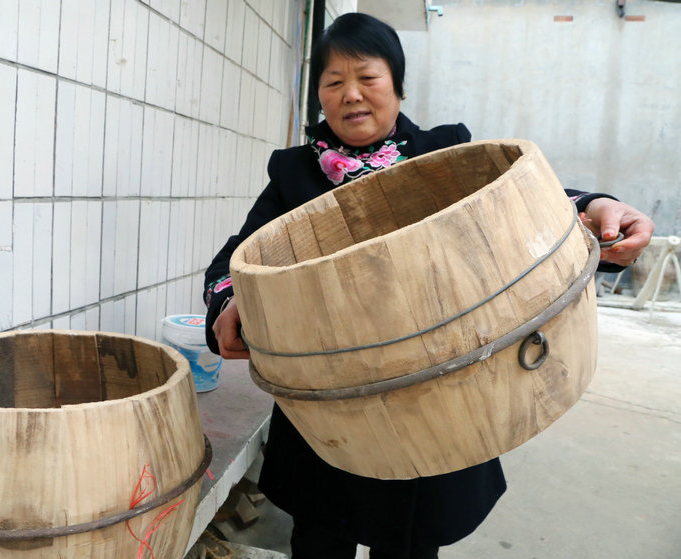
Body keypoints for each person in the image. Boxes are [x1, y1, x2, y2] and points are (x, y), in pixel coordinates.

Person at [203, 12, 654, 559]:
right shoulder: (293, 174)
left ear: (397, 84)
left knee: (411, 542)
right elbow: (237, 259)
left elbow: (520, 205)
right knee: (321, 539)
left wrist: (597, 208)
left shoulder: (443, 153)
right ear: (318, 94)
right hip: (333, 414)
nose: (351, 95)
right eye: (333, 82)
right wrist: (229, 303)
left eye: (367, 78)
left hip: (439, 401)